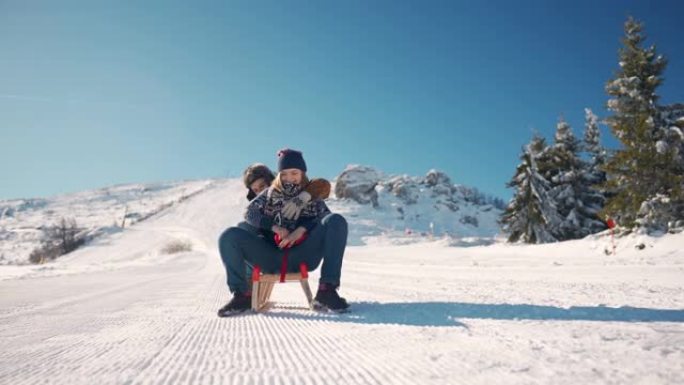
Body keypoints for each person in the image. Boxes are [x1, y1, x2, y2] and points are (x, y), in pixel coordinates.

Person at [218, 148, 349, 316]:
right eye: (284, 173)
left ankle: (327, 291)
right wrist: (275, 227)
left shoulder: (311, 194)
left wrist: (302, 229)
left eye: (294, 172)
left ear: (302, 173)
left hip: (303, 254)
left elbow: (328, 220)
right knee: (229, 235)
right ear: (279, 174)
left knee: (337, 221)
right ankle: (242, 295)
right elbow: (249, 213)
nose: (289, 178)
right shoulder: (269, 194)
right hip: (271, 256)